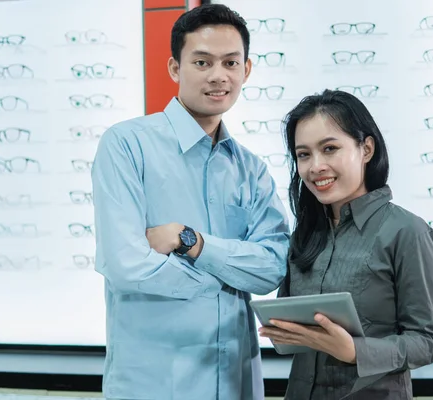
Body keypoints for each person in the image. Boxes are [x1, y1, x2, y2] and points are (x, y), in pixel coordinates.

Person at [91, 4, 290, 400]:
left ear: (246, 70)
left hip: (235, 382)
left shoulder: (251, 169)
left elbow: (272, 267)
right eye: (202, 62)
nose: (219, 76)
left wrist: (192, 243)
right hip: (154, 385)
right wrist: (227, 278)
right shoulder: (127, 145)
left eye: (231, 63)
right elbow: (125, 263)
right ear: (175, 69)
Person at [258, 89, 433, 399]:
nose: (315, 166)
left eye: (329, 148)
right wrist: (282, 331)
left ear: (366, 149)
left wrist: (355, 351)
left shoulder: (408, 231)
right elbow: (289, 335)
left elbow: (428, 342)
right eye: (303, 154)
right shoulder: (305, 234)